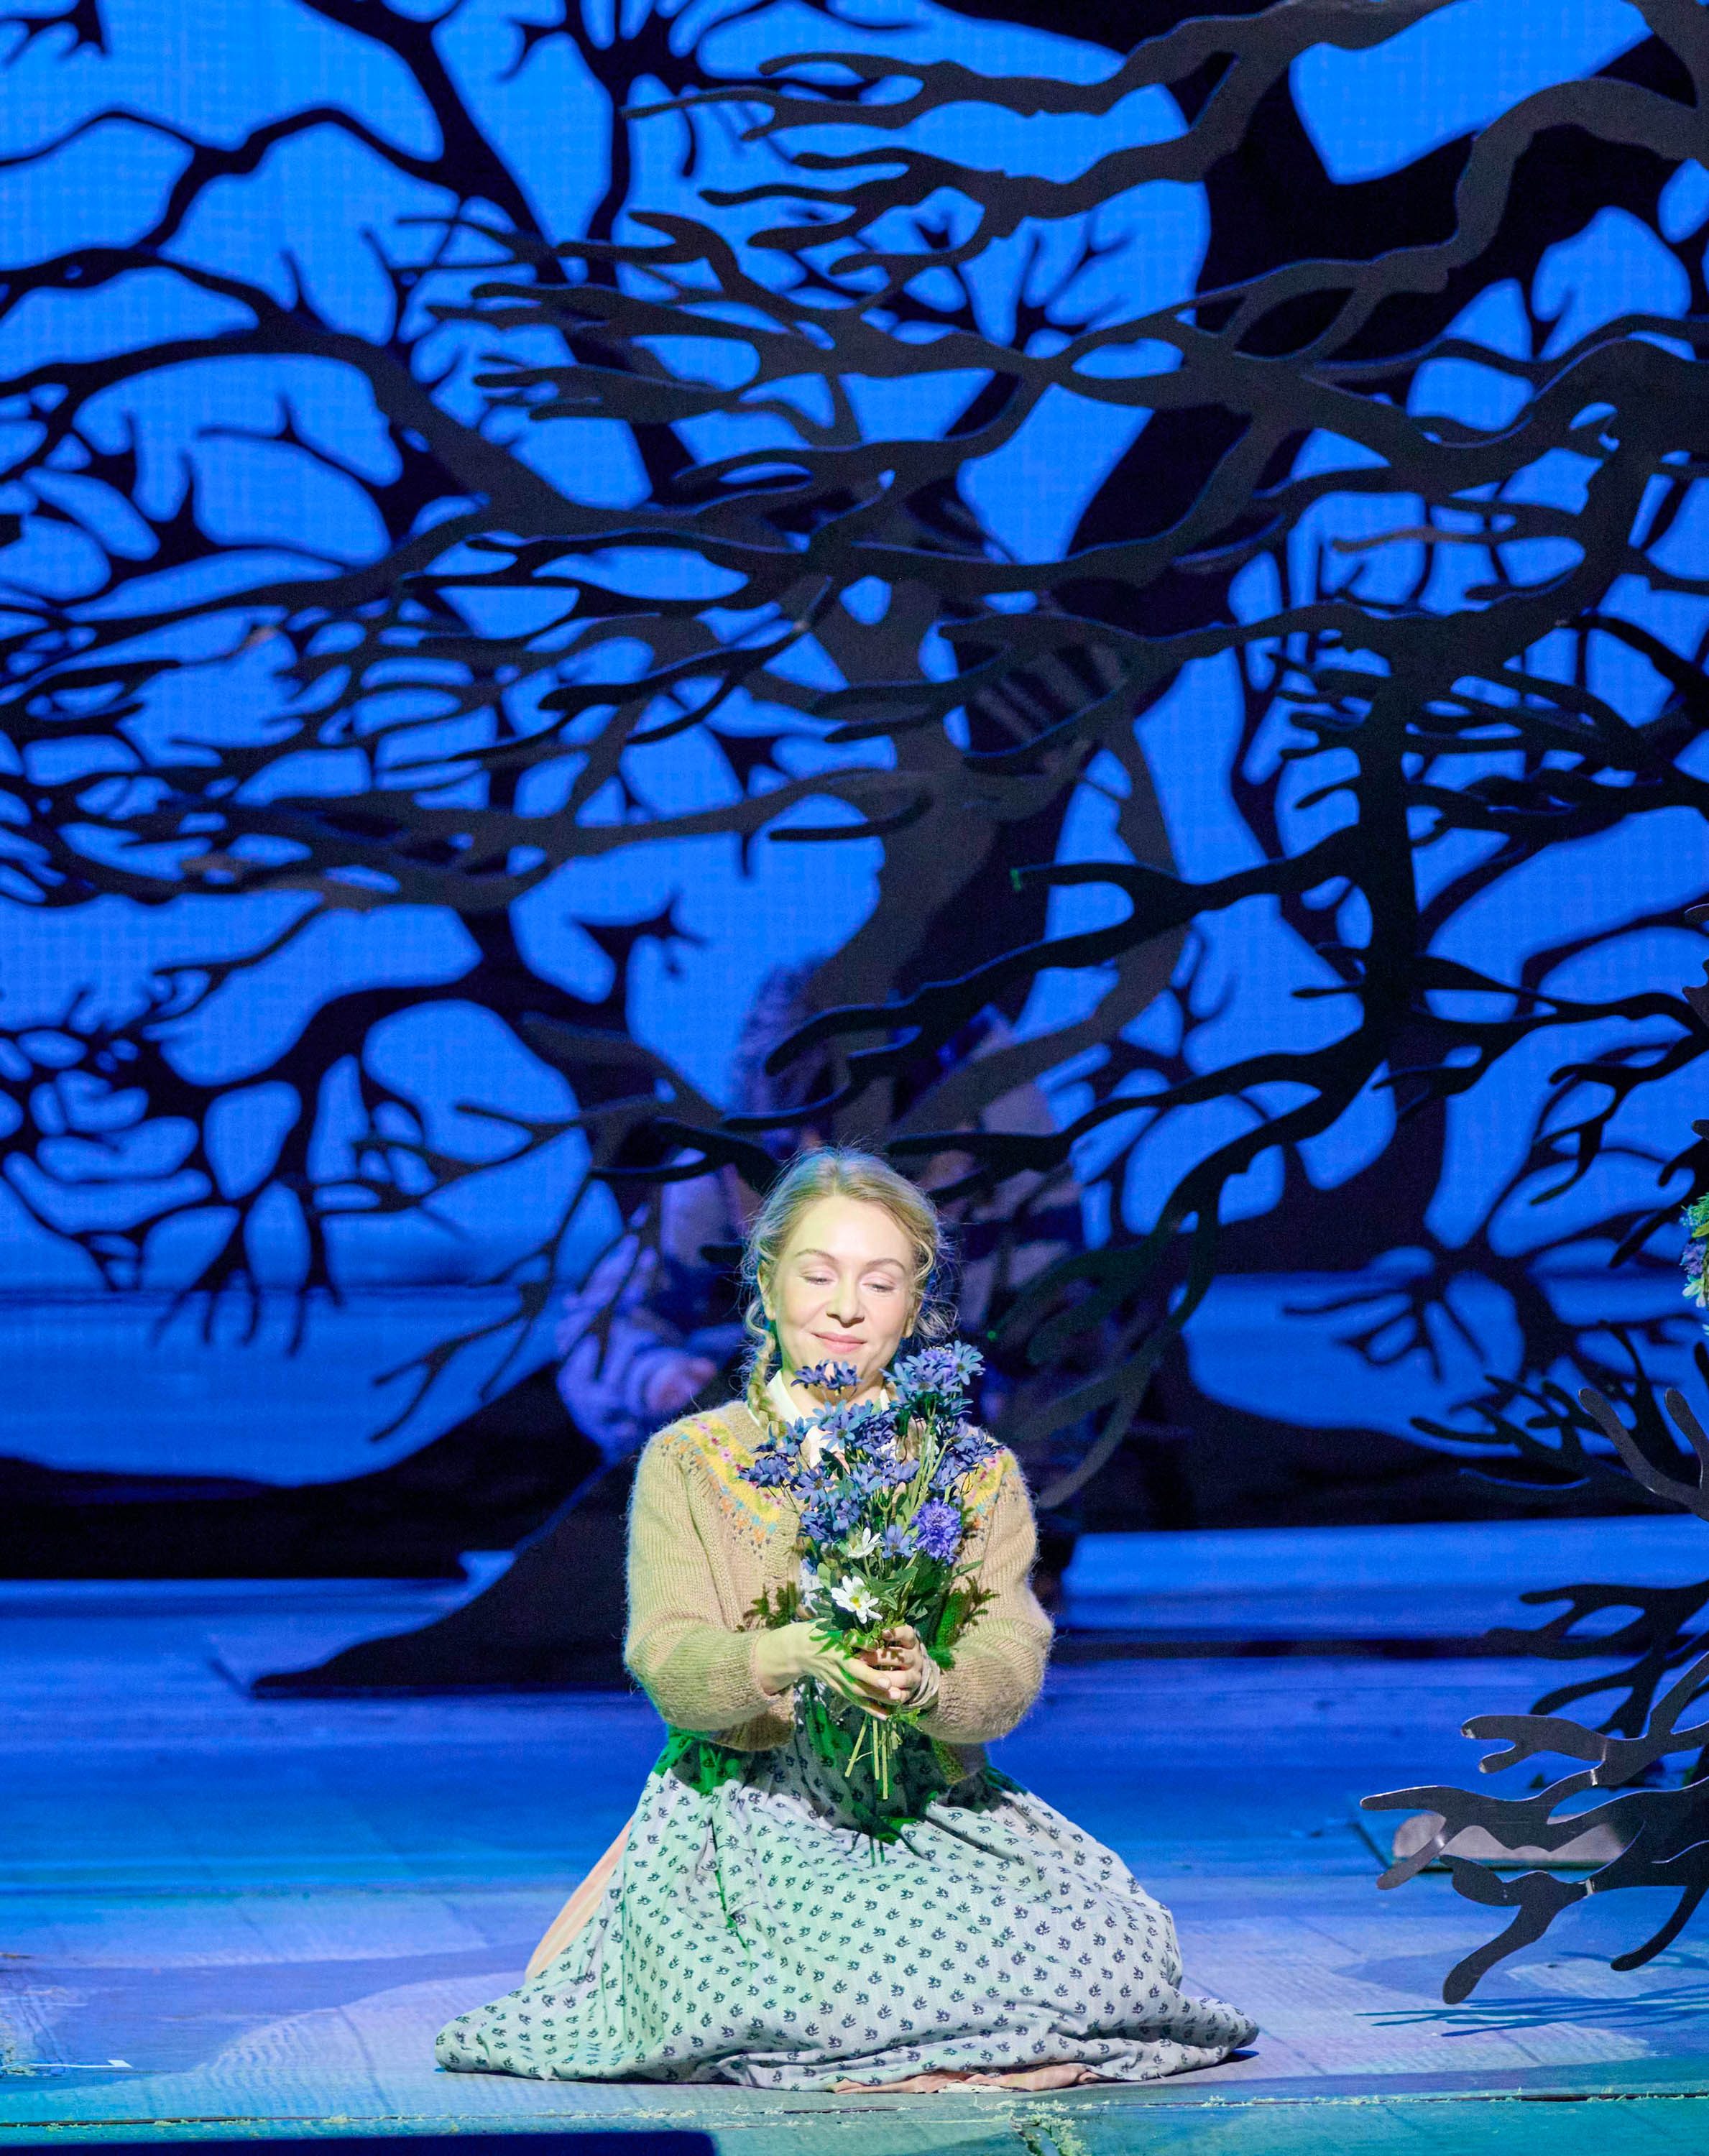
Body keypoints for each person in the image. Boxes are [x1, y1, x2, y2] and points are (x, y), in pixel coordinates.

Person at [435, 1146, 1255, 2091]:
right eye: (817, 1274)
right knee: (850, 1973)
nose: (844, 1306)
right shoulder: (694, 1461)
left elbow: (1010, 1655)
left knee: (1117, 1948)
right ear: (767, 1285)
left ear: (915, 1306)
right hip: (752, 1814)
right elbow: (668, 1656)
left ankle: (951, 2031)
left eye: (880, 1281)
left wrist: (930, 1682)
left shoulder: (970, 1469)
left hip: (931, 1805)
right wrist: (784, 1652)